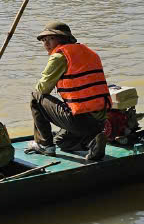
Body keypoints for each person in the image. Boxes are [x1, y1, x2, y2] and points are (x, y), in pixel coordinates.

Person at [27, 21, 109, 162]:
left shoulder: (60, 56)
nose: (46, 43)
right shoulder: (90, 52)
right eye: (44, 40)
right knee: (61, 141)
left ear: (63, 38)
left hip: (81, 120)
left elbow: (42, 89)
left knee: (36, 97)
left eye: (51, 38)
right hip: (99, 122)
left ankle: (44, 144)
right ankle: (92, 142)